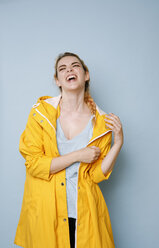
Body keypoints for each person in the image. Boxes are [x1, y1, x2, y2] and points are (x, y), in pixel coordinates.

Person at [14, 52, 124, 248]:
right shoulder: (41, 113)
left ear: (86, 75)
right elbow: (34, 165)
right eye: (62, 69)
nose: (69, 70)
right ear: (57, 80)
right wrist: (77, 155)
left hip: (84, 212)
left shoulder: (101, 123)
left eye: (75, 66)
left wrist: (118, 143)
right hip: (47, 212)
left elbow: (96, 175)